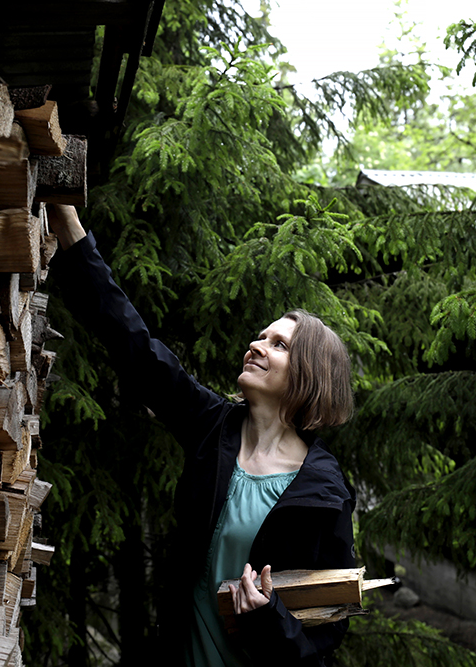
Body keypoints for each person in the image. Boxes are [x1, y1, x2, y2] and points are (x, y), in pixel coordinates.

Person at [50, 205, 357, 666]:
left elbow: (328, 628)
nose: (256, 345)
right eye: (261, 336)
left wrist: (269, 615)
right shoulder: (214, 428)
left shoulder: (324, 492)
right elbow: (135, 346)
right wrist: (69, 228)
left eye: (278, 344)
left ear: (309, 374)